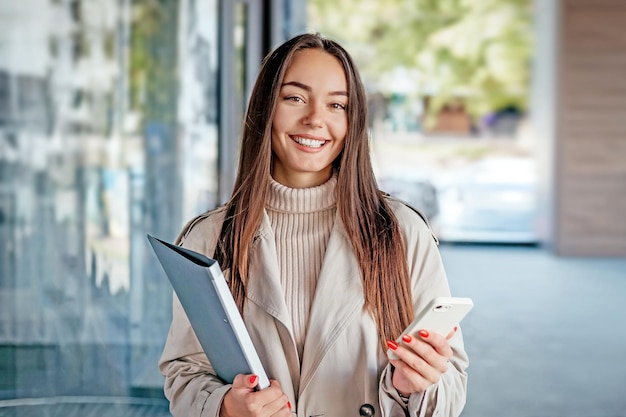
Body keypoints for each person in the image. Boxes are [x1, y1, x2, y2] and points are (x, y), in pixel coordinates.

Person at [159, 33, 469, 417]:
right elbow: (183, 372)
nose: (315, 119)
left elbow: (451, 385)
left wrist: (413, 387)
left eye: (336, 104)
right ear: (264, 109)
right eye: (295, 98)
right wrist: (225, 407)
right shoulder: (209, 237)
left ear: (352, 121)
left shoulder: (402, 233)